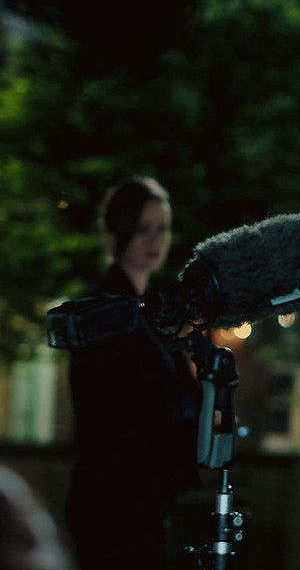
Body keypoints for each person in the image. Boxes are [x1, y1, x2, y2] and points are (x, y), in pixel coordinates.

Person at [64, 176, 200, 570]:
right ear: (115, 233)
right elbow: (107, 411)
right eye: (143, 228)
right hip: (117, 500)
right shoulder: (105, 311)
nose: (155, 239)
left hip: (142, 497)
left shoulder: (147, 312)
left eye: (162, 228)